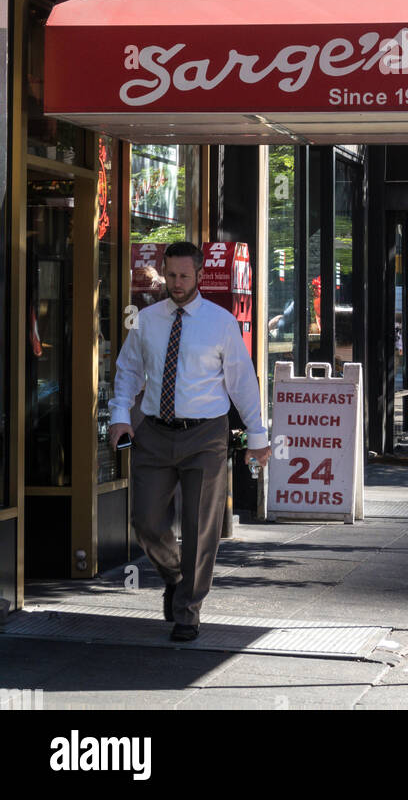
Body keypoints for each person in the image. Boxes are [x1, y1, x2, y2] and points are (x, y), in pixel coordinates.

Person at [108, 241, 271, 641]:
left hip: (206, 435)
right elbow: (128, 371)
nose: (176, 283)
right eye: (171, 275)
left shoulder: (220, 322)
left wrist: (258, 436)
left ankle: (188, 611)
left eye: (184, 276)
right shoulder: (145, 319)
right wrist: (118, 418)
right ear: (163, 271)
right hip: (154, 431)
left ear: (199, 275)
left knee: (201, 526)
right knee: (145, 521)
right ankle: (177, 575)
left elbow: (242, 383)